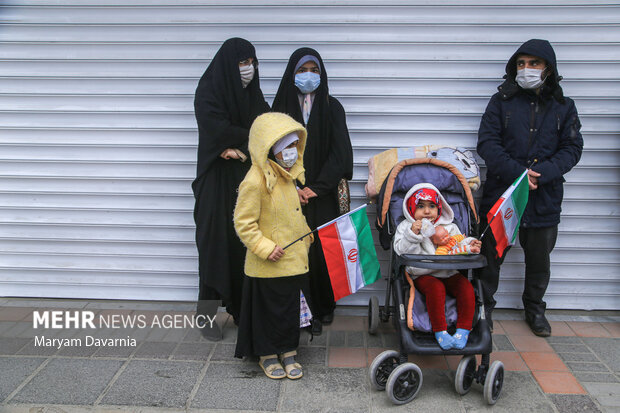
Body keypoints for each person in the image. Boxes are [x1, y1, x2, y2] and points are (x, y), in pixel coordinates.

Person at [475, 39, 583, 337]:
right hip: (504, 194)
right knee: (490, 257)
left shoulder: (564, 107)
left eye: (534, 63)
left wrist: (543, 173)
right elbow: (487, 143)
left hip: (544, 196)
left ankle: (534, 309)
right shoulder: (501, 102)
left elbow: (572, 148)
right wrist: (519, 173)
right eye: (521, 64)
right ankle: (484, 310)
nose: (527, 69)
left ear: (548, 68)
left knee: (539, 260)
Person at [272, 48, 353, 335]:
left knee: (321, 250)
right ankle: (299, 309)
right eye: (302, 69)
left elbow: (340, 153)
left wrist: (314, 188)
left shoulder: (333, 108)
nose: (309, 75)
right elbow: (271, 152)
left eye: (314, 70)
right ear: (292, 73)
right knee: (294, 251)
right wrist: (293, 186)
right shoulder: (279, 109)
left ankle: (323, 307)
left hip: (323, 193)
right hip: (287, 194)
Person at [192, 38, 270, 339]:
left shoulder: (252, 93)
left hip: (244, 180)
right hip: (215, 182)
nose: (248, 68)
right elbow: (217, 129)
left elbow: (263, 125)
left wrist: (238, 147)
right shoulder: (209, 92)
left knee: (243, 244)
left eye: (251, 62)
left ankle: (240, 310)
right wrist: (241, 141)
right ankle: (205, 315)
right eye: (241, 63)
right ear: (228, 64)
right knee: (214, 246)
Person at [233, 112, 313, 380]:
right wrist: (265, 247)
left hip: (292, 260)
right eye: (285, 147)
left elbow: (292, 215)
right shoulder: (255, 181)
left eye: (294, 146)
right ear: (270, 149)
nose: (291, 152)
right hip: (268, 263)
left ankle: (289, 350)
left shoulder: (288, 177)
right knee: (269, 311)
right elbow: (244, 223)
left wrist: (306, 235)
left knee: (290, 309)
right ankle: (267, 354)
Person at [393, 183, 481, 350]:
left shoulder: (449, 226)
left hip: (448, 271)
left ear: (440, 207)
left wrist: (471, 244)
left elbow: (459, 242)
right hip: (422, 274)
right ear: (411, 209)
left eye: (432, 206)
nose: (427, 211)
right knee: (436, 288)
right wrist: (413, 234)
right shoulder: (406, 227)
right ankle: (440, 331)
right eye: (421, 206)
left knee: (466, 287)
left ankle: (463, 330)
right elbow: (401, 251)